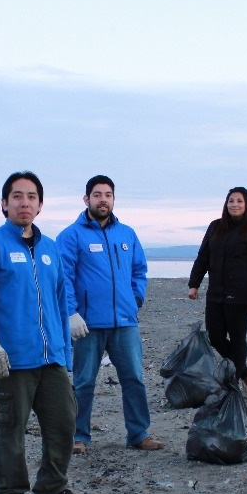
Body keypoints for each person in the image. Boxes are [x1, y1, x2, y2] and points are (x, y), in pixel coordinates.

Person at [0, 171, 88, 494]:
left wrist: (65, 346)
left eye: (31, 196)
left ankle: (51, 486)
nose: (25, 202)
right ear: (4, 204)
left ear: (40, 204)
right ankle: (10, 490)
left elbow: (61, 296)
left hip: (51, 357)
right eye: (17, 196)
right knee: (11, 426)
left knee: (64, 422)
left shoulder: (50, 248)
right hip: (11, 357)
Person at [57, 175, 163, 454]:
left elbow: (139, 270)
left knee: (134, 379)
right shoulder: (71, 236)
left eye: (108, 195)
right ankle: (78, 436)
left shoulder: (127, 234)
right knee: (83, 382)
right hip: (87, 325)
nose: (103, 199)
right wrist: (71, 313)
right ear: (86, 199)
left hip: (125, 322)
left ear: (114, 199)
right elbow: (63, 278)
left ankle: (138, 433)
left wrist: (136, 298)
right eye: (97, 194)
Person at [187, 186, 247, 392]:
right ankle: (246, 373)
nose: (235, 204)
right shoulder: (216, 227)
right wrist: (194, 283)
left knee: (237, 338)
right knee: (215, 336)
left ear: (246, 204)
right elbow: (203, 257)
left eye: (239, 201)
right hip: (216, 293)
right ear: (226, 203)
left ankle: (233, 384)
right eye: (231, 201)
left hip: (242, 295)